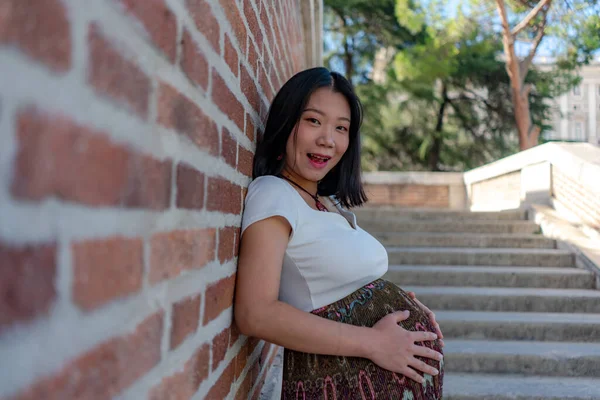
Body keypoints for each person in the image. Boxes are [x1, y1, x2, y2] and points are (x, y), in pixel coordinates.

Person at [234, 67, 444, 399]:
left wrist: (398, 304)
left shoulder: (327, 204)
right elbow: (254, 314)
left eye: (341, 128)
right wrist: (374, 342)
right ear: (286, 121)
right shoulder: (274, 193)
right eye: (313, 121)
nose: (327, 139)